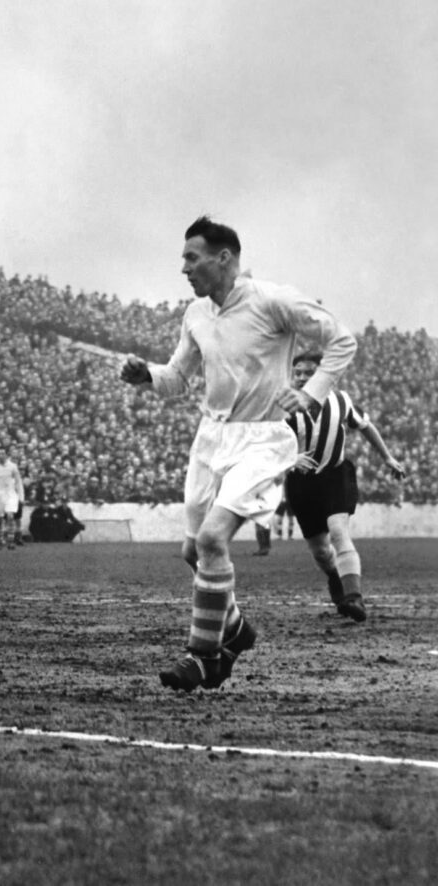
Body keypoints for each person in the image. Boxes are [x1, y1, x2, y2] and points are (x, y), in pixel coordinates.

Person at [120, 216, 357, 692]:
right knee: (194, 552)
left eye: (192, 257)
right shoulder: (196, 314)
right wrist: (145, 374)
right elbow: (176, 378)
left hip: (262, 439)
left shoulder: (273, 301)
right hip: (211, 440)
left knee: (211, 541)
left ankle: (203, 657)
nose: (184, 267)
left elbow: (342, 340)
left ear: (223, 257)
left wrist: (310, 393)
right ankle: (236, 629)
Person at [282, 351, 407, 622]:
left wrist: (387, 457)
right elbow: (264, 444)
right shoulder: (281, 407)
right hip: (301, 484)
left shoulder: (341, 401)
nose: (302, 378)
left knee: (339, 532)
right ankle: (335, 579)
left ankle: (354, 597)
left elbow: (365, 426)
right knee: (321, 551)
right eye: (298, 373)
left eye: (309, 372)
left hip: (335, 476)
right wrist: (290, 459)